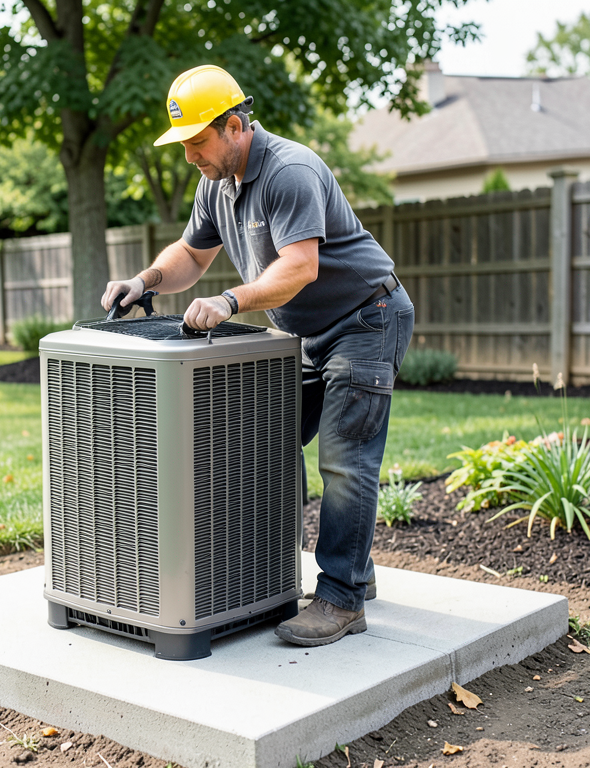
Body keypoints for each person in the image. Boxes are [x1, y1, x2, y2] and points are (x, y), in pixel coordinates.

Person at [101, 65, 414, 647]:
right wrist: (144, 281)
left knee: (345, 460)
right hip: (307, 338)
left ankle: (342, 597)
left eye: (196, 142)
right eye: (184, 145)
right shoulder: (216, 182)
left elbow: (301, 266)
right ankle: (291, 573)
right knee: (262, 440)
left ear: (235, 126)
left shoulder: (288, 170)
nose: (190, 156)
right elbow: (191, 256)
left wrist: (230, 300)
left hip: (366, 321)